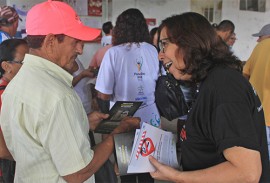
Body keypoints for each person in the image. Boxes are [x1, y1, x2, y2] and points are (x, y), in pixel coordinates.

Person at [0, 1, 140, 182]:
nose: (80, 50)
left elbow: (26, 142)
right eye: (75, 42)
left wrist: (81, 122)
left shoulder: (17, 83)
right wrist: (115, 135)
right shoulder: (57, 96)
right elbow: (77, 173)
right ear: (50, 41)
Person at [149, 12, 270, 183]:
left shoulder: (224, 87)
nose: (160, 55)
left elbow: (246, 173)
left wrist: (177, 177)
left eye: (164, 45)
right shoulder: (210, 82)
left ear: (190, 42)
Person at [95, 8, 160, 183]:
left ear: (120, 29)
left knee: (126, 171)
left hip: (122, 117)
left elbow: (103, 93)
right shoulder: (153, 50)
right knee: (148, 170)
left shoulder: (113, 53)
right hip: (150, 117)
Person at [0, 38, 28, 183]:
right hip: (8, 169)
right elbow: (3, 150)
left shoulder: (17, 90)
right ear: (6, 66)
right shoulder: (4, 96)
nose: (31, 66)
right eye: (24, 62)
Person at [243, 24, 270, 161]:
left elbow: (244, 75)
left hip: (257, 112)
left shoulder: (260, 47)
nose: (258, 40)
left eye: (260, 37)